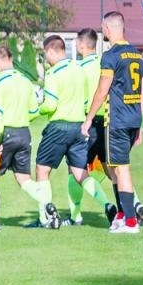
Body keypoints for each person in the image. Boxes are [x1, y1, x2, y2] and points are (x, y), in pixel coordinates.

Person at [81, 12, 143, 233]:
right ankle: (121, 214)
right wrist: (139, 122)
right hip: (132, 118)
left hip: (117, 120)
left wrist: (89, 118)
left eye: (104, 30)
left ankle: (130, 221)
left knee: (121, 169)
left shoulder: (111, 56)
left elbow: (102, 89)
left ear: (108, 29)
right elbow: (142, 91)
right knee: (114, 167)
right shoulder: (137, 55)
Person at [0, 46, 42, 230]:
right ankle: (47, 204)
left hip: (5, 134)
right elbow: (35, 112)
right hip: (24, 133)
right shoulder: (25, 81)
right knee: (24, 179)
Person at [30, 35, 94, 228]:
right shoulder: (79, 69)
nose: (45, 58)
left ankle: (45, 218)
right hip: (78, 126)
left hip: (58, 127)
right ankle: (107, 205)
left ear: (50, 51)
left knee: (42, 170)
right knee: (81, 173)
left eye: (44, 54)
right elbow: (84, 101)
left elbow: (50, 105)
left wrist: (36, 108)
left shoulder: (53, 73)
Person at [72, 28, 116, 221]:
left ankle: (77, 214)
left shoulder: (79, 69)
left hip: (88, 123)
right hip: (108, 121)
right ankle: (136, 204)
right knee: (114, 168)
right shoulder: (105, 63)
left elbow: (79, 99)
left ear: (82, 44)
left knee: (76, 168)